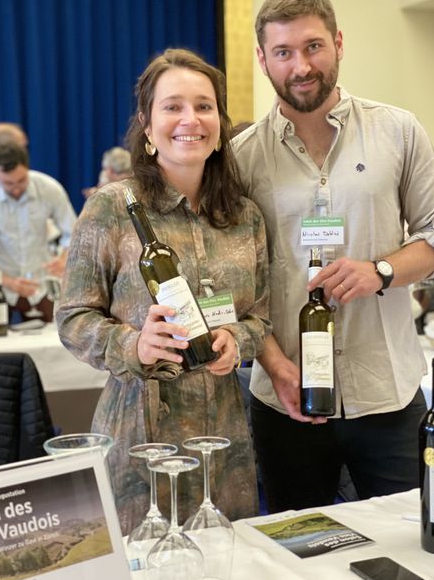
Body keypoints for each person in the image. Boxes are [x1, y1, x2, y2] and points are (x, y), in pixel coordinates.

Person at [232, 0, 434, 513]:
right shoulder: (241, 159)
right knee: (298, 549)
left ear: (337, 43)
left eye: (313, 46)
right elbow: (235, 286)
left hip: (386, 396)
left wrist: (381, 270)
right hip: (286, 400)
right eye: (284, 52)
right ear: (263, 60)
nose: (301, 66)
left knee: (410, 540)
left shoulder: (398, 131)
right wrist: (275, 365)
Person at [56, 48, 272, 535]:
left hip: (224, 438)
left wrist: (238, 340)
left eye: (204, 106)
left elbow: (261, 316)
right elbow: (72, 318)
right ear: (147, 125)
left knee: (228, 560)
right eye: (173, 106)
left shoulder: (245, 216)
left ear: (220, 124)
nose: (190, 119)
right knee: (146, 561)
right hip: (140, 434)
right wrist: (134, 344)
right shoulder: (112, 208)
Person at [0, 141, 77, 322]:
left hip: (41, 281)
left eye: (21, 180)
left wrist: (64, 259)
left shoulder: (49, 188)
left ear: (27, 168)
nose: (16, 188)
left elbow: (73, 232)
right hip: (0, 281)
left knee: (53, 333)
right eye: (8, 183)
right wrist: (7, 281)